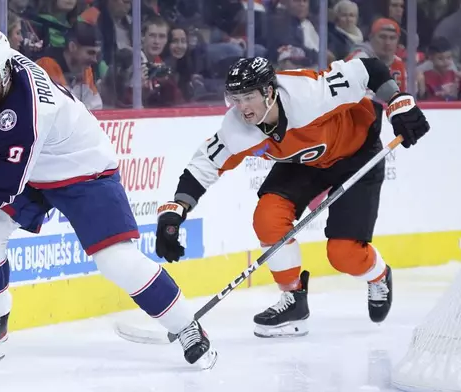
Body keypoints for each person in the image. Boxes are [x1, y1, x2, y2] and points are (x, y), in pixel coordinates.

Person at [0, 29, 217, 370]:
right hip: (33, 169)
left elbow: (2, 186)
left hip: (84, 170)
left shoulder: (28, 112)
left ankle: (188, 326)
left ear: (6, 70)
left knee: (117, 260)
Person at [155, 56, 429, 338]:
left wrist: (398, 101)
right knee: (268, 218)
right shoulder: (237, 127)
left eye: (248, 97)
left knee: (343, 255)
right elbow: (207, 163)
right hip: (304, 163)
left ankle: (379, 275)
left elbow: (369, 69)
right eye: (235, 98)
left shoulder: (309, 94)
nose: (242, 107)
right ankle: (294, 301)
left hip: (356, 153)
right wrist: (177, 208)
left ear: (269, 92)